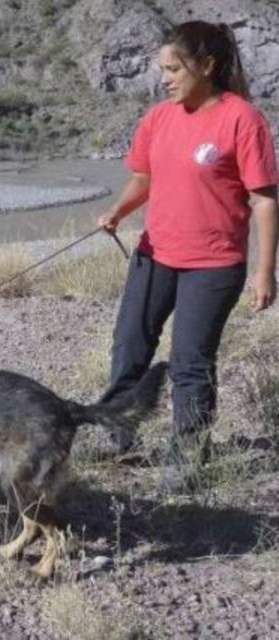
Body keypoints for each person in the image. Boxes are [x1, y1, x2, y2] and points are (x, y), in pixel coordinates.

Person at [97, 21, 278, 490]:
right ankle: (117, 435)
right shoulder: (158, 118)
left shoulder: (242, 119)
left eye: (174, 69)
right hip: (154, 255)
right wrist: (118, 210)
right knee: (130, 346)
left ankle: (188, 454)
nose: (165, 79)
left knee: (190, 362)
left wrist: (265, 272)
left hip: (214, 266)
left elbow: (264, 200)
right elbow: (144, 178)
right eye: (162, 69)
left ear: (207, 66)